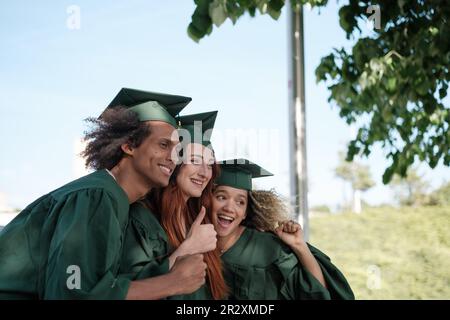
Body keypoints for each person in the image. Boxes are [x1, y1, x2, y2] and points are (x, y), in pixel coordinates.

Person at [0, 88, 207, 299]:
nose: (174, 157)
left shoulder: (114, 199)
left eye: (178, 150)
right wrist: (171, 283)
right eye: (164, 145)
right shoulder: (95, 197)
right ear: (128, 145)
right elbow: (72, 293)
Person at [120, 110, 228, 299]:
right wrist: (187, 249)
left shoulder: (198, 222)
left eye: (209, 164)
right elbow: (132, 290)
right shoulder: (141, 219)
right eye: (194, 160)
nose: (204, 173)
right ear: (174, 163)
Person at [212, 158, 355, 300]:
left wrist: (299, 245)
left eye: (240, 202)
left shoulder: (269, 248)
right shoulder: (195, 244)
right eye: (221, 197)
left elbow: (316, 293)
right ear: (206, 200)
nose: (229, 208)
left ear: (245, 212)